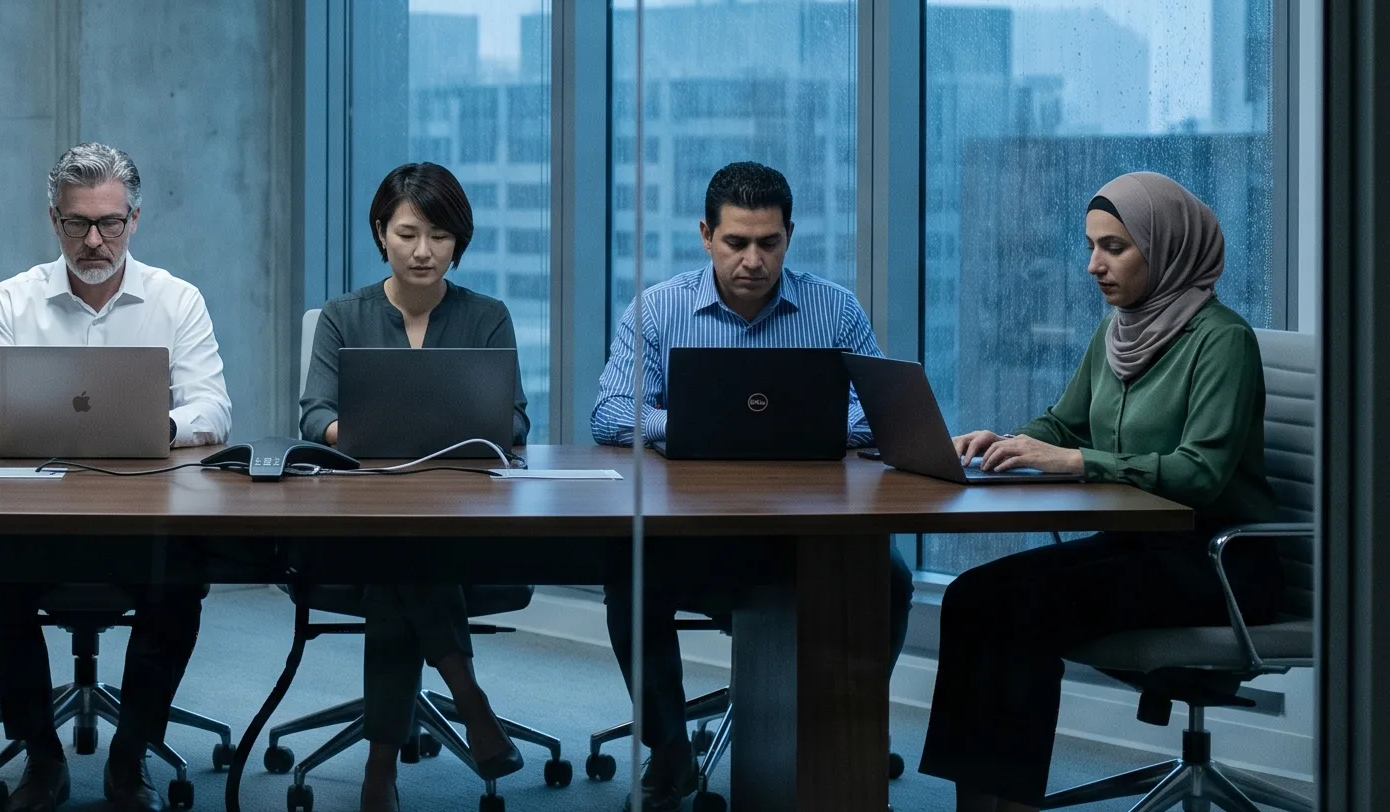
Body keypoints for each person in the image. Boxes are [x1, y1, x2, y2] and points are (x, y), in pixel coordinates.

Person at [921, 172, 1280, 812]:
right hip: (1137, 544)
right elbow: (1064, 424)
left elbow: (1201, 474)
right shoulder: (1118, 332)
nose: (1093, 265)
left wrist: (1078, 461)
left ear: (1166, 247)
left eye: (1114, 247)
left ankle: (1009, 804)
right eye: (1090, 246)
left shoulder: (1223, 340)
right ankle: (977, 804)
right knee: (972, 595)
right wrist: (1007, 443)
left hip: (1219, 561)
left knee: (1021, 607)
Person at [589, 160, 914, 812]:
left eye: (768, 242)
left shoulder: (834, 309)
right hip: (694, 533)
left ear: (789, 235)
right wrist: (691, 423)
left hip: (808, 533)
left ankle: (845, 727)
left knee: (892, 577)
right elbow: (608, 414)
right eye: (736, 242)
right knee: (629, 570)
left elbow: (882, 413)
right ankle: (671, 752)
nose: (753, 260)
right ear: (706, 234)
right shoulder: (658, 309)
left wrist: (820, 425)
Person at [0, 142, 233, 812]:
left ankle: (130, 755)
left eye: (110, 222)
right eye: (77, 223)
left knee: (181, 576)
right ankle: (41, 757)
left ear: (134, 220)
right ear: (54, 222)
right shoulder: (13, 300)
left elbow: (214, 410)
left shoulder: (176, 301)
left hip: (144, 512)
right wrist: (31, 422)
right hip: (34, 516)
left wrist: (153, 427)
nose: (94, 239)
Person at [297, 162, 527, 812]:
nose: (424, 251)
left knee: (404, 555)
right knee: (400, 548)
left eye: (441, 235)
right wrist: (365, 431)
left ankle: (379, 768)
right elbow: (314, 415)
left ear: (459, 241)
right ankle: (469, 696)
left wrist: (454, 434)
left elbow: (514, 418)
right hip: (361, 512)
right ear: (380, 234)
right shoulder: (344, 317)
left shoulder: (487, 318)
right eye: (408, 233)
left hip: (461, 516)